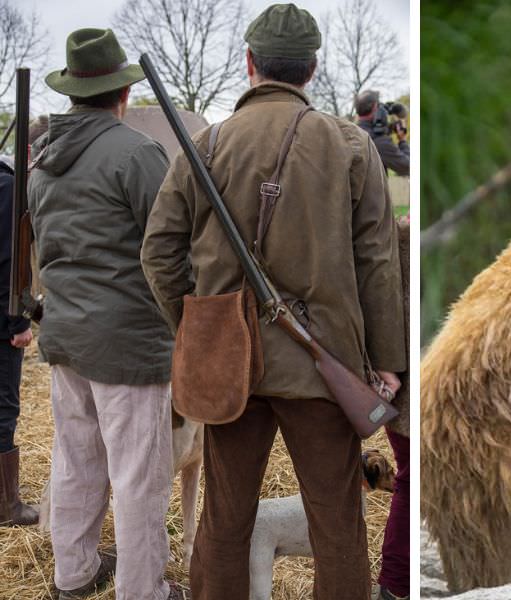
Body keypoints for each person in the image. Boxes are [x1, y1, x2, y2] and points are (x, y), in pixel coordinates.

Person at [141, 4, 406, 599]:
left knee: (225, 522)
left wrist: (198, 328)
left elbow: (158, 254)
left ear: (250, 63)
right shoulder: (351, 147)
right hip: (324, 365)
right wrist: (387, 361)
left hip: (230, 368)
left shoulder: (205, 145)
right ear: (311, 69)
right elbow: (378, 263)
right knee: (338, 525)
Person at [28, 29, 182, 599]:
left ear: (74, 93)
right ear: (121, 94)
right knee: (140, 479)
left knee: (75, 461)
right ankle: (144, 590)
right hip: (128, 343)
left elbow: (48, 253)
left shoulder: (42, 164)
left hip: (66, 336)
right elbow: (171, 246)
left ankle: (74, 573)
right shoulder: (137, 154)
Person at [374, 216, 410, 600]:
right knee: (410, 481)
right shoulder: (401, 240)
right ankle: (396, 585)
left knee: (408, 480)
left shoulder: (392, 238)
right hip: (403, 389)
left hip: (396, 386)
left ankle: (395, 583)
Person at [0, 154, 35, 528]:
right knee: (3, 408)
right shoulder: (9, 187)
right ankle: (5, 506)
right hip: (0, 324)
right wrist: (17, 322)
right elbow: (11, 261)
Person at [355, 90, 409, 176]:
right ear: (375, 107)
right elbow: (408, 167)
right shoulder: (377, 141)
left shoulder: (352, 134)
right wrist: (402, 141)